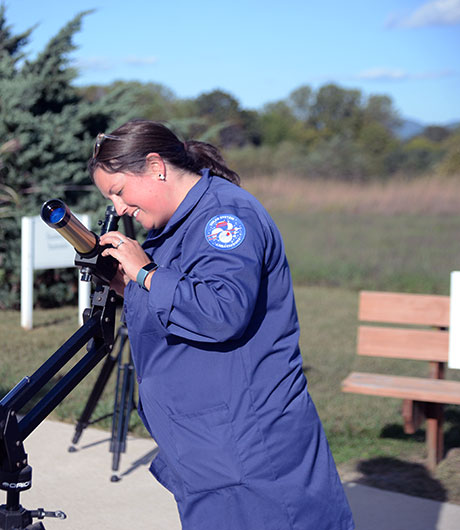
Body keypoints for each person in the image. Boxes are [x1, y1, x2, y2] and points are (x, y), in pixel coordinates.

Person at [88, 120, 354, 530]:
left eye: (119, 192)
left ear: (156, 166)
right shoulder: (172, 226)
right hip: (210, 451)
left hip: (249, 451)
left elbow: (221, 311)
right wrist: (130, 285)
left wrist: (146, 274)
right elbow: (180, 306)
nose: (119, 209)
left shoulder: (225, 216)